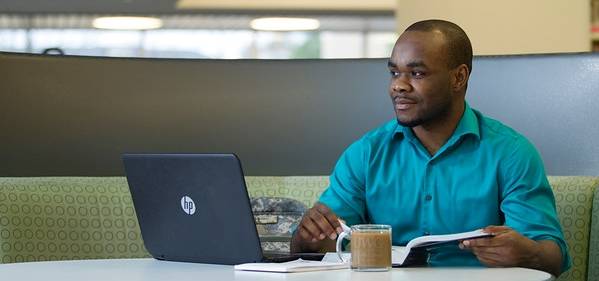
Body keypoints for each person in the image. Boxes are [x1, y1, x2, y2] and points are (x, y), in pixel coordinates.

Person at [290, 19, 570, 277]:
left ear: (458, 78)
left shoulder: (511, 153)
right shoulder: (366, 153)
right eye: (394, 72)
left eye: (417, 73)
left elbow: (552, 256)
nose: (398, 85)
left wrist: (529, 253)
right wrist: (308, 237)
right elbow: (323, 243)